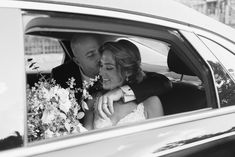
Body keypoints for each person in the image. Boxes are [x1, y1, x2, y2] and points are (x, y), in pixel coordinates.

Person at [51, 34, 171, 119]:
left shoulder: (120, 70)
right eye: (91, 55)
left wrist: (121, 92)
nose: (100, 57)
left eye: (100, 50)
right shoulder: (61, 75)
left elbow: (163, 82)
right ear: (77, 62)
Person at [84, 40, 164, 129]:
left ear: (128, 71)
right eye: (101, 65)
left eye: (109, 68)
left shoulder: (151, 102)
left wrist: (120, 92)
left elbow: (159, 139)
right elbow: (84, 138)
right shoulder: (93, 101)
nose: (101, 72)